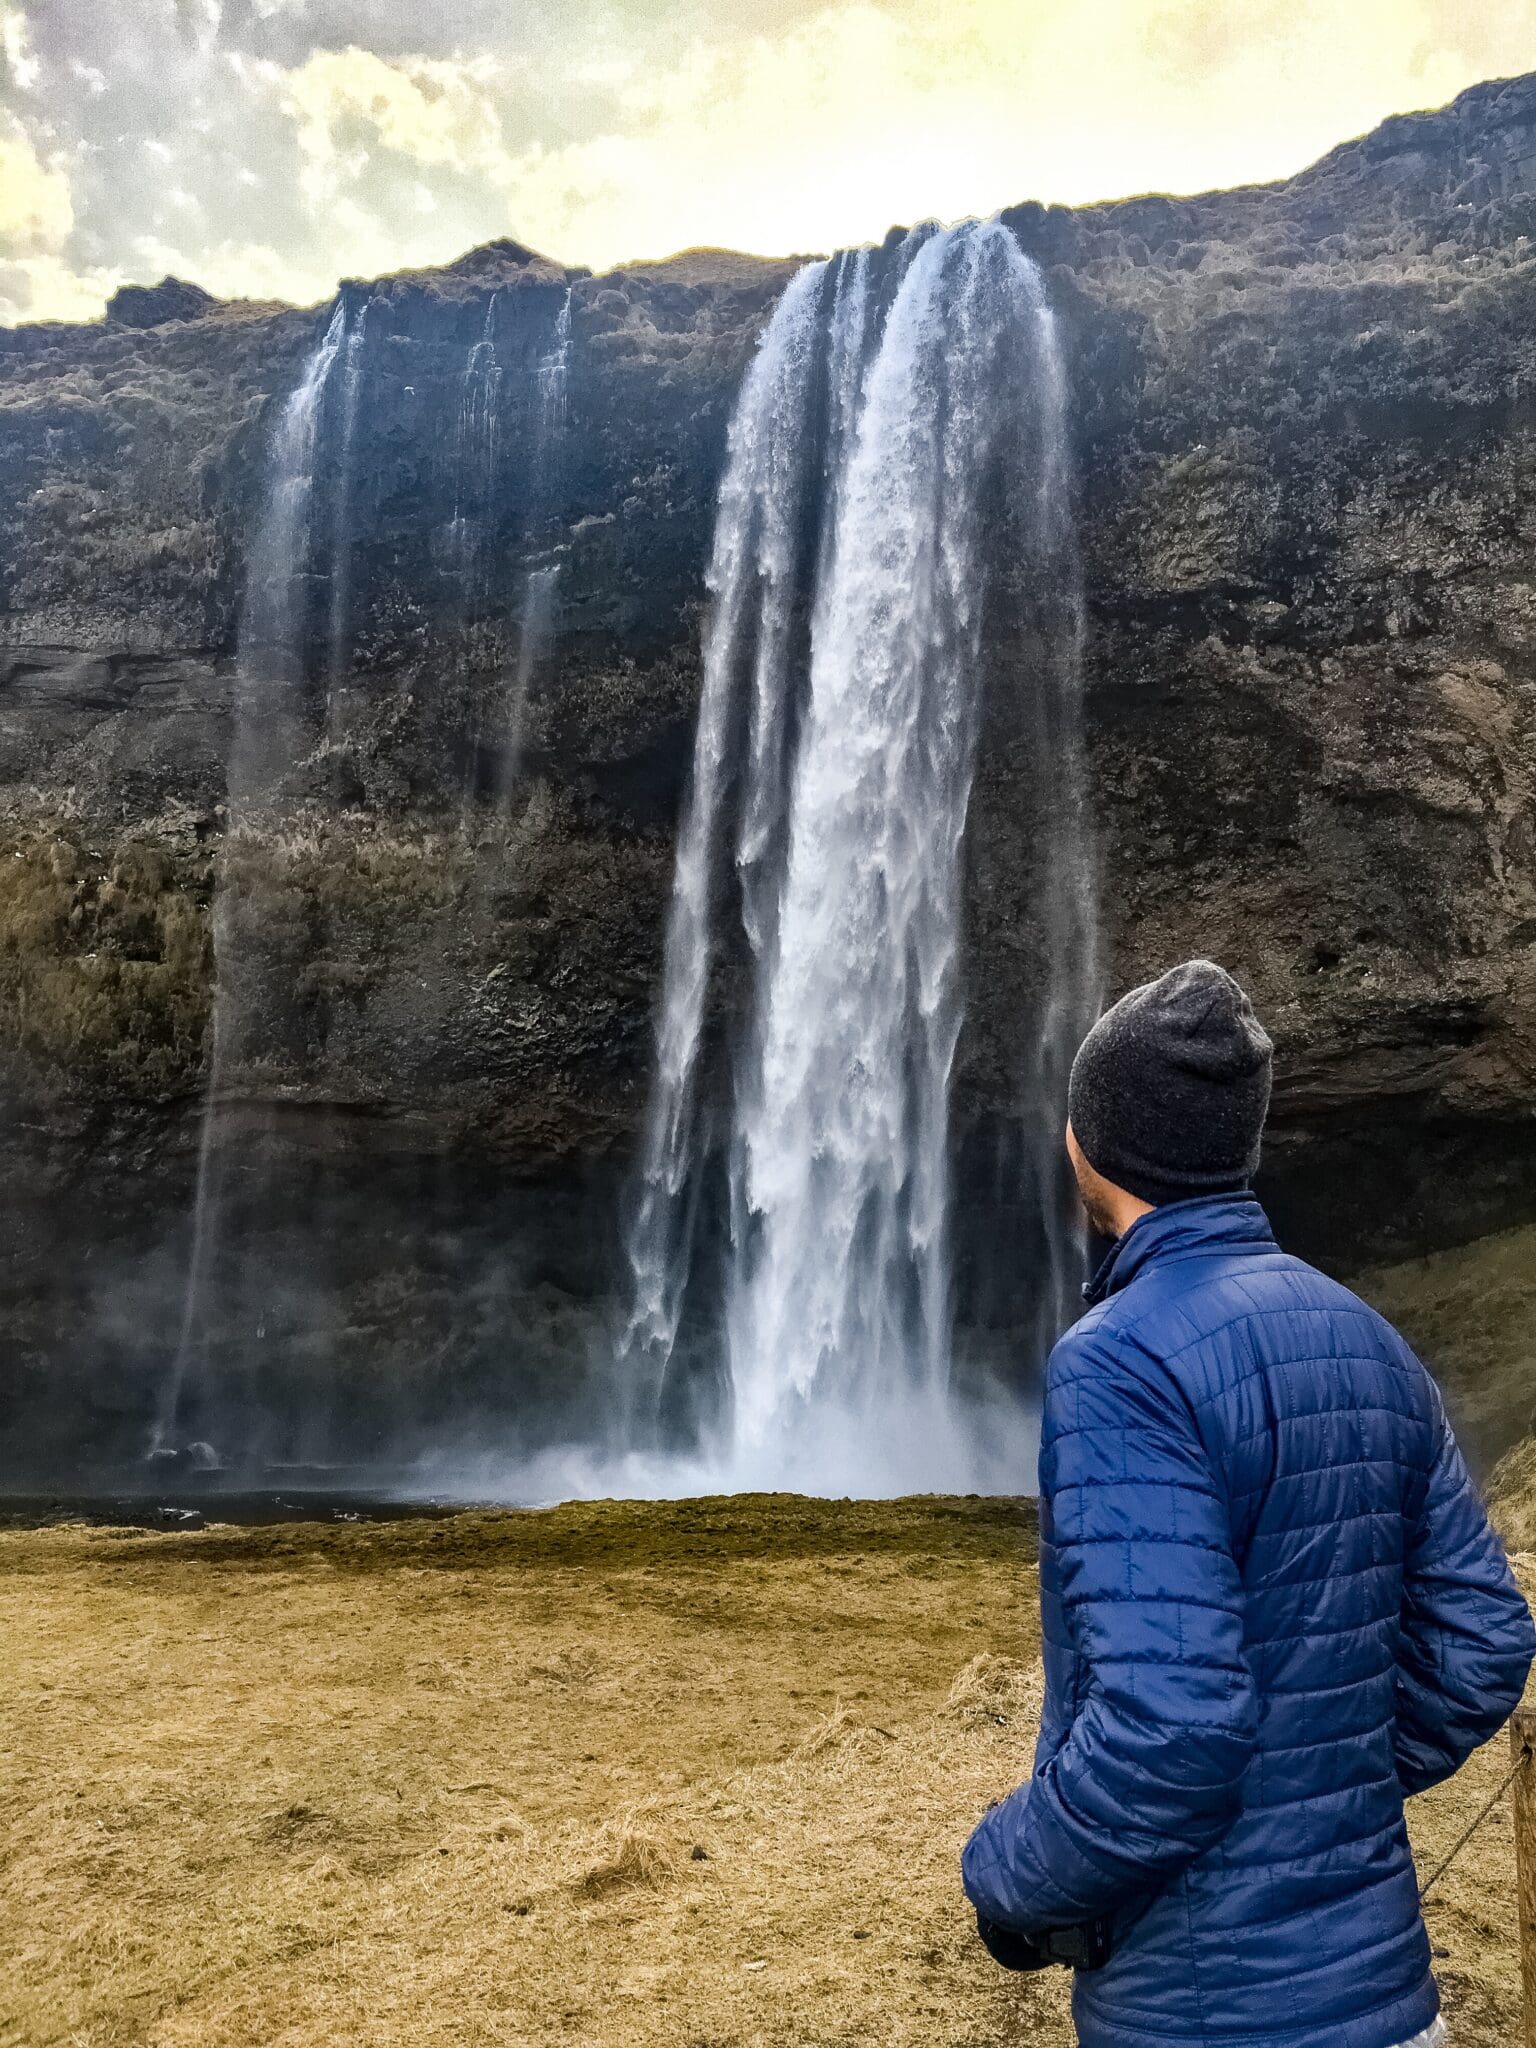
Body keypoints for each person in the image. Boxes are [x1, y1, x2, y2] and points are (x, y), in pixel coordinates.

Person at [962, 959, 1535, 2048]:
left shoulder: (1117, 1363)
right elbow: (1482, 1641)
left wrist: (1006, 1877)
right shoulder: (1369, 1336)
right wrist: (1327, 1781)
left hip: (1205, 2011)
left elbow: (1167, 1731)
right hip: (1390, 2007)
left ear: (1094, 1138)